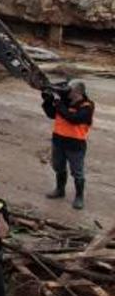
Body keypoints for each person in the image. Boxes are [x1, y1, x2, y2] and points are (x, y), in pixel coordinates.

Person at [43, 80, 94, 209]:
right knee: (58, 167)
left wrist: (58, 103)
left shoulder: (86, 106)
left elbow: (73, 119)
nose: (66, 91)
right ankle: (60, 190)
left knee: (77, 172)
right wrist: (48, 100)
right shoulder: (65, 102)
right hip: (58, 141)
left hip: (75, 144)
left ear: (77, 92)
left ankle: (79, 197)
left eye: (69, 89)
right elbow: (51, 114)